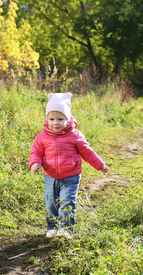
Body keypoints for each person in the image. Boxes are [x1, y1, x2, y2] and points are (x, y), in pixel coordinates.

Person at [29, 92, 109, 240]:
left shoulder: (75, 135)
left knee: (67, 200)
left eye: (60, 119)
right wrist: (35, 162)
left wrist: (100, 165)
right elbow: (36, 151)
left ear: (67, 118)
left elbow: (88, 153)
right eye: (52, 119)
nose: (55, 123)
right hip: (50, 176)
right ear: (47, 118)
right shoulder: (42, 136)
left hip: (71, 175)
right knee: (50, 201)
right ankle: (52, 227)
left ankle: (66, 229)